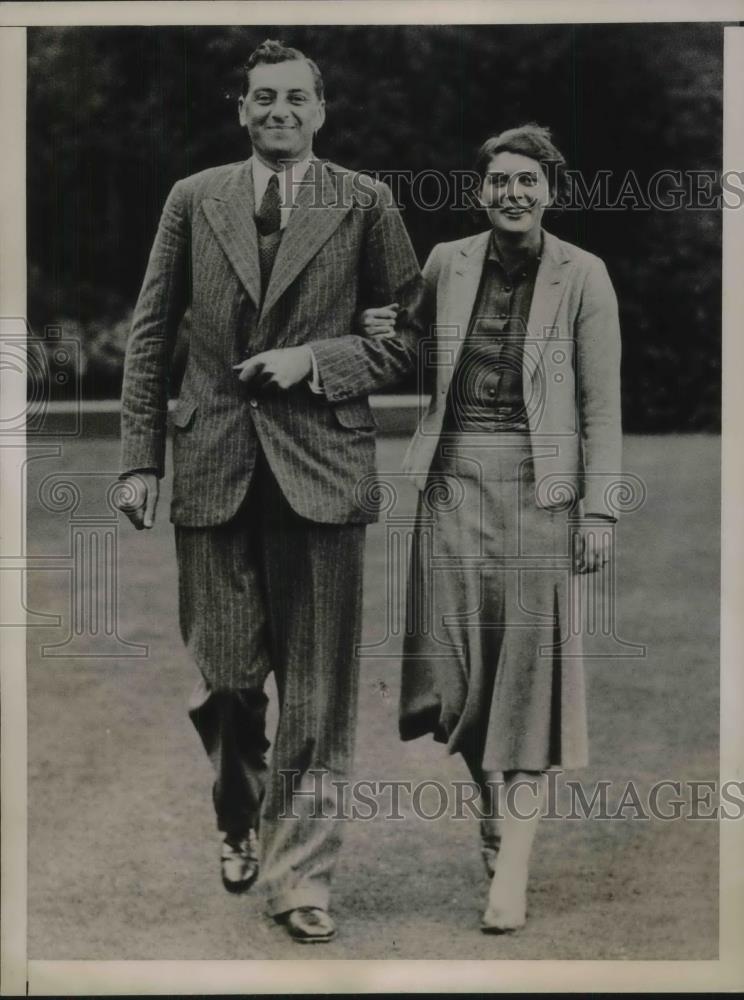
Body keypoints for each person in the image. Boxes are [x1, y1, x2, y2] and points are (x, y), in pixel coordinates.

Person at [118, 39, 421, 944]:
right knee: (229, 679)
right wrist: (140, 459)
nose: (279, 111)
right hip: (212, 467)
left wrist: (316, 360)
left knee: (319, 695)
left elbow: (410, 340)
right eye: (262, 98)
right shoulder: (194, 199)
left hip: (323, 473)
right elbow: (150, 334)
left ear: (321, 111)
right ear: (241, 111)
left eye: (295, 97)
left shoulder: (365, 203)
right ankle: (237, 811)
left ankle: (300, 878)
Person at [361, 124, 622, 933]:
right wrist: (382, 333)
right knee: (464, 676)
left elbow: (601, 402)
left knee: (530, 680)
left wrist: (600, 508)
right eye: (500, 181)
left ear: (552, 189)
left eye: (529, 181)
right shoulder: (447, 262)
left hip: (540, 492)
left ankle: (510, 866)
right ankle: (492, 819)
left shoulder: (586, 275)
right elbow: (409, 353)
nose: (514, 194)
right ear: (481, 192)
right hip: (451, 484)